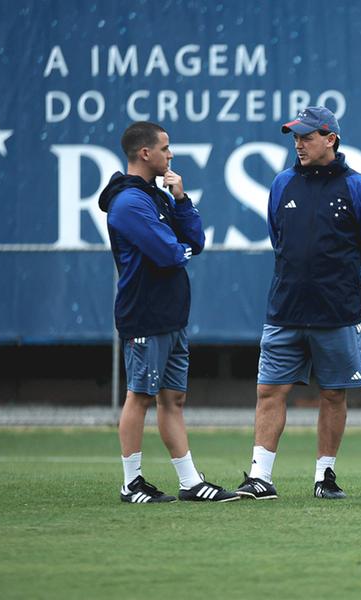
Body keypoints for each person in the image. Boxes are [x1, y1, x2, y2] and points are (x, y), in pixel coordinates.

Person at [235, 106, 361, 500]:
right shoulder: (282, 183)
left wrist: (332, 277)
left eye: (306, 136)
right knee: (270, 391)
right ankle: (260, 477)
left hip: (337, 311)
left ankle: (325, 476)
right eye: (295, 137)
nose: (298, 144)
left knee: (334, 393)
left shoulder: (358, 189)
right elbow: (278, 238)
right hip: (285, 308)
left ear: (330, 139)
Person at [98, 121, 238, 503]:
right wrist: (182, 250)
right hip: (145, 313)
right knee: (139, 395)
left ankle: (191, 482)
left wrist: (180, 200)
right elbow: (169, 253)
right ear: (145, 153)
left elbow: (193, 241)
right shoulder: (128, 203)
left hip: (171, 315)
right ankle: (131, 483)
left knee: (172, 399)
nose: (170, 154)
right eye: (165, 148)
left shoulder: (157, 196)